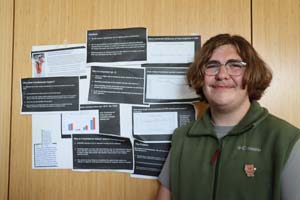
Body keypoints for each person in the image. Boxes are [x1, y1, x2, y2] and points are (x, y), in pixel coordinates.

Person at [156, 34, 300, 200]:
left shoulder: (286, 140)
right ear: (201, 77)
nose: (222, 74)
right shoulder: (182, 138)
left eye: (235, 65)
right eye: (212, 66)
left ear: (251, 73)